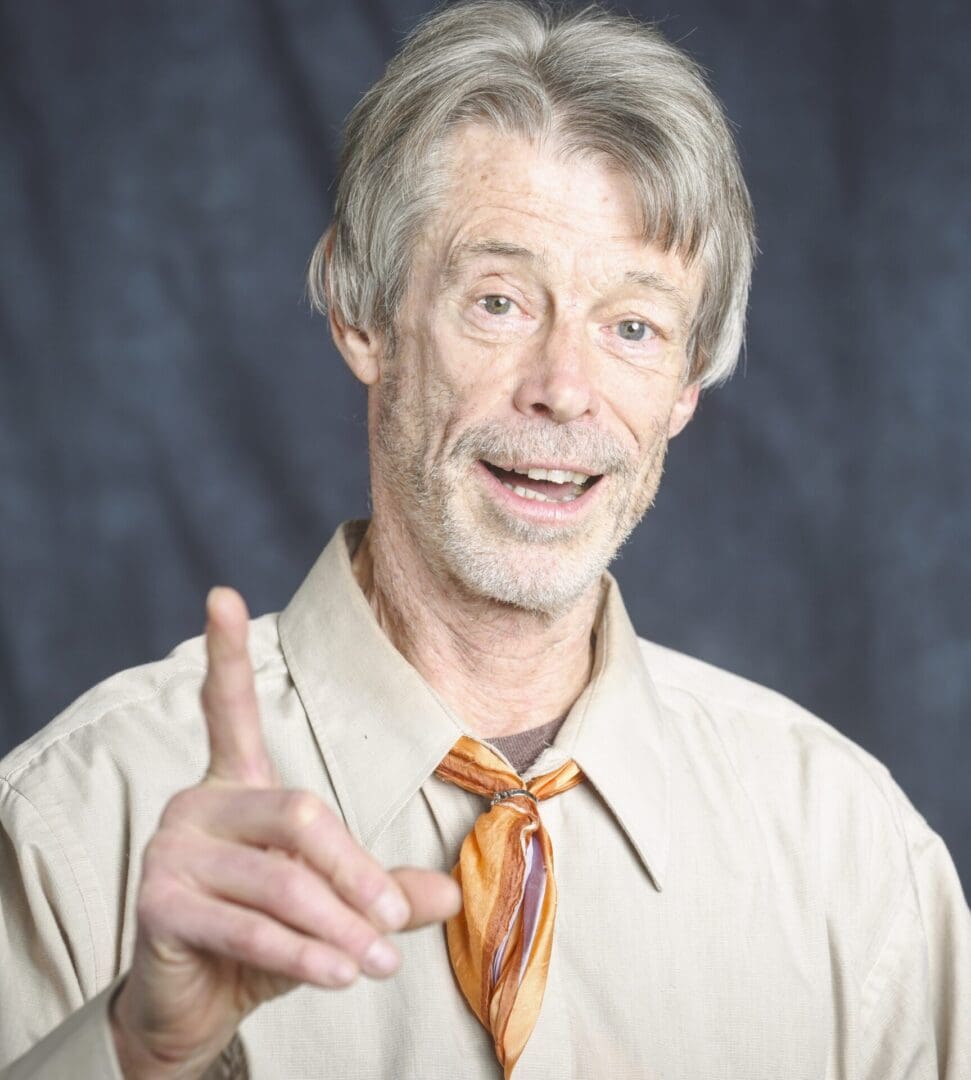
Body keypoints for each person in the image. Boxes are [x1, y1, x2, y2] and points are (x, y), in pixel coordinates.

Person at [1, 0, 968, 1076]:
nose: (563, 391)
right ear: (361, 314)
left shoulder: (851, 855)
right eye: (499, 301)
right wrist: (137, 1051)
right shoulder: (78, 824)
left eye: (632, 327)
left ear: (685, 387)